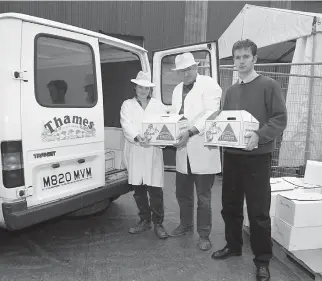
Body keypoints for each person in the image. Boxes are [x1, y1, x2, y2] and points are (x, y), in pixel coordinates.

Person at [211, 39, 287, 281]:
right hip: (232, 157)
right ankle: (233, 246)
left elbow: (279, 118)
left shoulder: (269, 85)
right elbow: (227, 121)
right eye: (237, 57)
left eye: (245, 56)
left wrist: (259, 135)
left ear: (255, 59)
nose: (241, 61)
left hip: (257, 158)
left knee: (258, 212)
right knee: (230, 206)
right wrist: (215, 132)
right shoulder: (231, 91)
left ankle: (262, 260)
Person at [169, 52, 222, 251]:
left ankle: (204, 235)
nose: (186, 73)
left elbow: (211, 113)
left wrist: (190, 131)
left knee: (203, 197)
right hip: (183, 151)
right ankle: (185, 225)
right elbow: (176, 115)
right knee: (183, 194)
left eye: (189, 69)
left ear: (196, 67)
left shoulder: (209, 84)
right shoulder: (176, 90)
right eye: (182, 70)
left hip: (202, 147)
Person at [120, 70, 168, 239]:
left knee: (155, 190)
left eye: (146, 88)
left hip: (153, 152)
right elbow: (126, 124)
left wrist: (159, 139)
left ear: (150, 90)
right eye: (140, 87)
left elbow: (164, 127)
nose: (143, 90)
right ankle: (144, 220)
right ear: (135, 87)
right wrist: (137, 137)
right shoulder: (127, 105)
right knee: (139, 190)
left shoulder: (158, 106)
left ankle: (158, 223)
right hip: (135, 151)